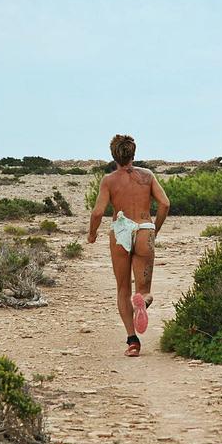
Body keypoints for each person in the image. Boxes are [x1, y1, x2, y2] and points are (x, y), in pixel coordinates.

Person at [87, 135, 170, 357]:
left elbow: (97, 212)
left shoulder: (108, 180)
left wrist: (92, 234)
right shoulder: (147, 176)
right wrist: (155, 229)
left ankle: (133, 341)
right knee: (144, 290)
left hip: (120, 231)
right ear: (133, 154)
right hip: (144, 228)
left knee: (123, 289)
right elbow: (165, 203)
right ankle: (142, 302)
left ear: (113, 155)